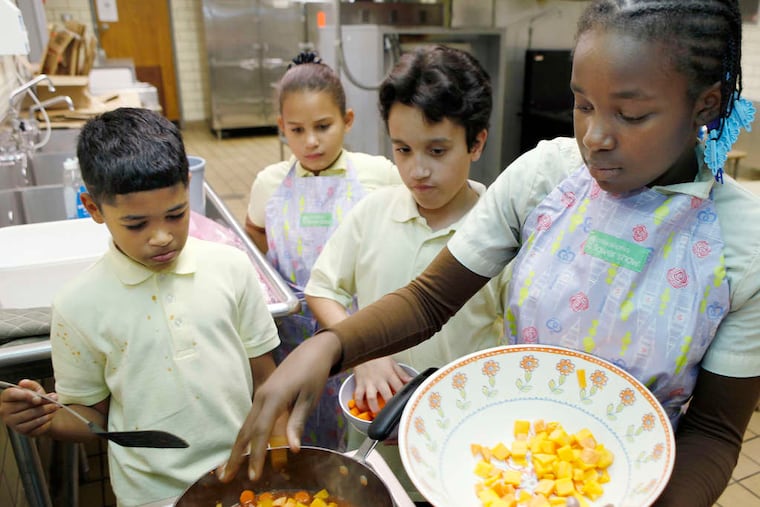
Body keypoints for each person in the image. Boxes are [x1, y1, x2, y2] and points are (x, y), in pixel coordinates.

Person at [225, 1, 760, 506]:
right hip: (506, 469)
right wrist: (333, 347)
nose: (595, 136)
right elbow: (431, 301)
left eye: (632, 115)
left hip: (632, 484)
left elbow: (714, 430)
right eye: (582, 104)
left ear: (705, 105)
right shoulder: (547, 177)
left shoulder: (741, 245)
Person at [0, 107, 283, 507]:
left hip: (242, 479)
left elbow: (266, 381)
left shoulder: (231, 267)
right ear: (94, 208)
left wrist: (278, 459)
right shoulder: (79, 306)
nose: (162, 237)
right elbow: (92, 417)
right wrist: (44, 419)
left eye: (176, 214)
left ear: (188, 187)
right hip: (151, 495)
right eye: (137, 225)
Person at [304, 45, 509, 500]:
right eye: (402, 149)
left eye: (437, 150)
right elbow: (322, 290)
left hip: (462, 443)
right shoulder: (373, 213)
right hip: (375, 440)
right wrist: (364, 349)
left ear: (476, 142)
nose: (417, 169)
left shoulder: (499, 230)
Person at [243, 51, 402, 450]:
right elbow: (254, 236)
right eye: (296, 130)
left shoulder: (377, 174)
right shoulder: (269, 183)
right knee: (297, 429)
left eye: (323, 126)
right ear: (281, 128)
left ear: (347, 121)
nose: (310, 141)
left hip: (358, 331)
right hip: (292, 334)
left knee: (355, 424)